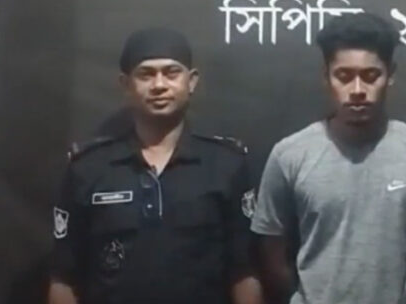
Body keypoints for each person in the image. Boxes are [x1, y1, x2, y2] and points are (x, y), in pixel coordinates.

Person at [251, 12, 406, 304]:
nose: (357, 90)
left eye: (370, 76)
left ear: (390, 75)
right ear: (326, 76)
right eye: (344, 76)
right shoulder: (289, 154)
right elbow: (273, 254)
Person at [48, 27, 263, 304]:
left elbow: (244, 273)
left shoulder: (226, 166)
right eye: (146, 74)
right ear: (126, 85)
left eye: (171, 73)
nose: (159, 85)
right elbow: (64, 278)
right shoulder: (88, 169)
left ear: (192, 81)